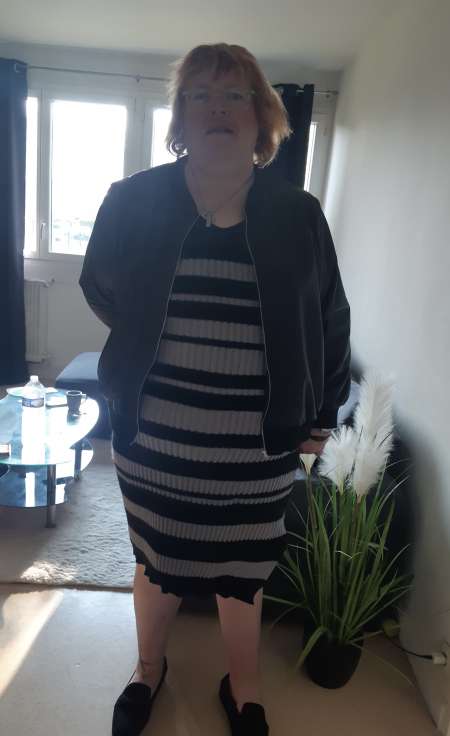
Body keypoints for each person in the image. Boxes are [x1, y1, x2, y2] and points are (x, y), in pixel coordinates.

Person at [79, 42, 351, 736]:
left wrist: (322, 414)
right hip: (155, 437)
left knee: (243, 572)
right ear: (179, 116)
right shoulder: (132, 200)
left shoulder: (299, 213)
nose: (217, 108)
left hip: (259, 446)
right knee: (156, 562)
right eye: (199, 94)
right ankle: (148, 669)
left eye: (235, 95)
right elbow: (100, 287)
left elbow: (328, 317)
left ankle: (244, 686)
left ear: (263, 117)